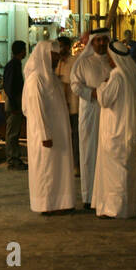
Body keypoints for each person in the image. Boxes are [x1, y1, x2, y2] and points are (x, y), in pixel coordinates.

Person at [22, 40, 76, 215]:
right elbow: (36, 110)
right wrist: (45, 135)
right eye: (54, 55)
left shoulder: (50, 77)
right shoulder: (36, 79)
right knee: (46, 170)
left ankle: (60, 202)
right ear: (45, 55)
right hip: (45, 135)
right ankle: (46, 205)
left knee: (58, 169)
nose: (57, 59)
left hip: (58, 132)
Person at [93, 40, 136, 219]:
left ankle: (115, 208)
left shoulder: (117, 76)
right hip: (126, 129)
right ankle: (126, 207)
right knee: (125, 170)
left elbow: (105, 99)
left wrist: (101, 85)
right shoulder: (132, 73)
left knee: (115, 172)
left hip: (115, 130)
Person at [71, 28, 111, 209]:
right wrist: (92, 93)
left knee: (108, 151)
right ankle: (89, 196)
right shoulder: (83, 62)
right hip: (90, 111)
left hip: (110, 113)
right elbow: (75, 85)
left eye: (104, 40)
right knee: (89, 151)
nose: (101, 43)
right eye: (98, 40)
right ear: (92, 42)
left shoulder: (114, 62)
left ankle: (106, 194)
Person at [55, 35, 80, 174]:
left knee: (74, 137)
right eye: (59, 46)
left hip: (73, 106)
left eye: (63, 46)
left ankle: (76, 165)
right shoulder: (56, 63)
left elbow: (69, 84)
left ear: (68, 47)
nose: (61, 49)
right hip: (59, 108)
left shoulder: (73, 62)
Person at [2, 41, 28, 170]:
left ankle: (14, 158)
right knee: (12, 133)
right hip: (14, 105)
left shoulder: (15, 65)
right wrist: (14, 105)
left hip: (15, 104)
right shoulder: (13, 66)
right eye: (24, 49)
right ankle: (12, 159)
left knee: (15, 132)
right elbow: (10, 87)